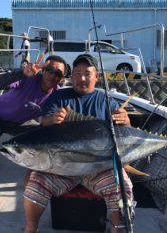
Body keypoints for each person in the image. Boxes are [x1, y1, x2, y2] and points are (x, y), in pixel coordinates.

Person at [23, 54, 133, 233]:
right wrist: (51, 119)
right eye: (77, 73)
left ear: (96, 76)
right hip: (62, 167)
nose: (82, 78)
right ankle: (30, 228)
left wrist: (126, 120)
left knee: (123, 186)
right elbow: (43, 123)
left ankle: (116, 229)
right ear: (71, 77)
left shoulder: (106, 100)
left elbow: (124, 133)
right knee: (36, 182)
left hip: (97, 167)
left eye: (87, 73)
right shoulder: (59, 97)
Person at [0, 55, 67, 212]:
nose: (52, 75)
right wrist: (21, 73)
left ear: (61, 78)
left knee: (42, 141)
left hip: (19, 124)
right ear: (42, 70)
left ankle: (30, 185)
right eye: (49, 70)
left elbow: (45, 119)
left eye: (58, 74)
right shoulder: (29, 78)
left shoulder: (56, 95)